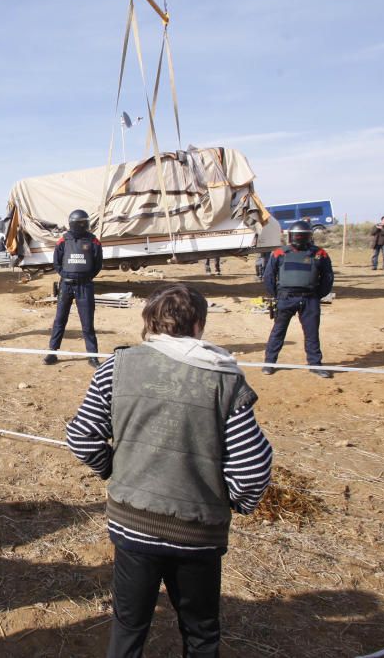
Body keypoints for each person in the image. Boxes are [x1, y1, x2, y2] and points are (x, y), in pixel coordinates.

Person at [66, 283, 272, 658]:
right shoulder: (225, 378)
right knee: (201, 633)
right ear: (200, 325)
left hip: (133, 524)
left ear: (149, 323)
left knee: (128, 627)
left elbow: (82, 436)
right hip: (198, 533)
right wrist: (233, 503)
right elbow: (252, 468)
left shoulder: (116, 366)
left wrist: (113, 470)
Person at [262, 220, 334, 379]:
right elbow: (268, 277)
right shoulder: (279, 253)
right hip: (286, 298)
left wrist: (316, 295)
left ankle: (315, 364)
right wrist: (277, 295)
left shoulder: (319, 254)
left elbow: (327, 278)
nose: (298, 238)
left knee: (311, 333)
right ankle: (269, 363)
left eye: (301, 236)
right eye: (297, 236)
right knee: (278, 332)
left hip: (309, 299)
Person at [43, 209, 102, 368]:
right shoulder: (63, 240)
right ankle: (52, 352)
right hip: (66, 285)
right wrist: (66, 275)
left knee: (87, 323)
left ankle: (93, 356)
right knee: (60, 320)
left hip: (85, 286)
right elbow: (57, 263)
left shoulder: (93, 241)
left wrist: (85, 276)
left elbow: (98, 265)